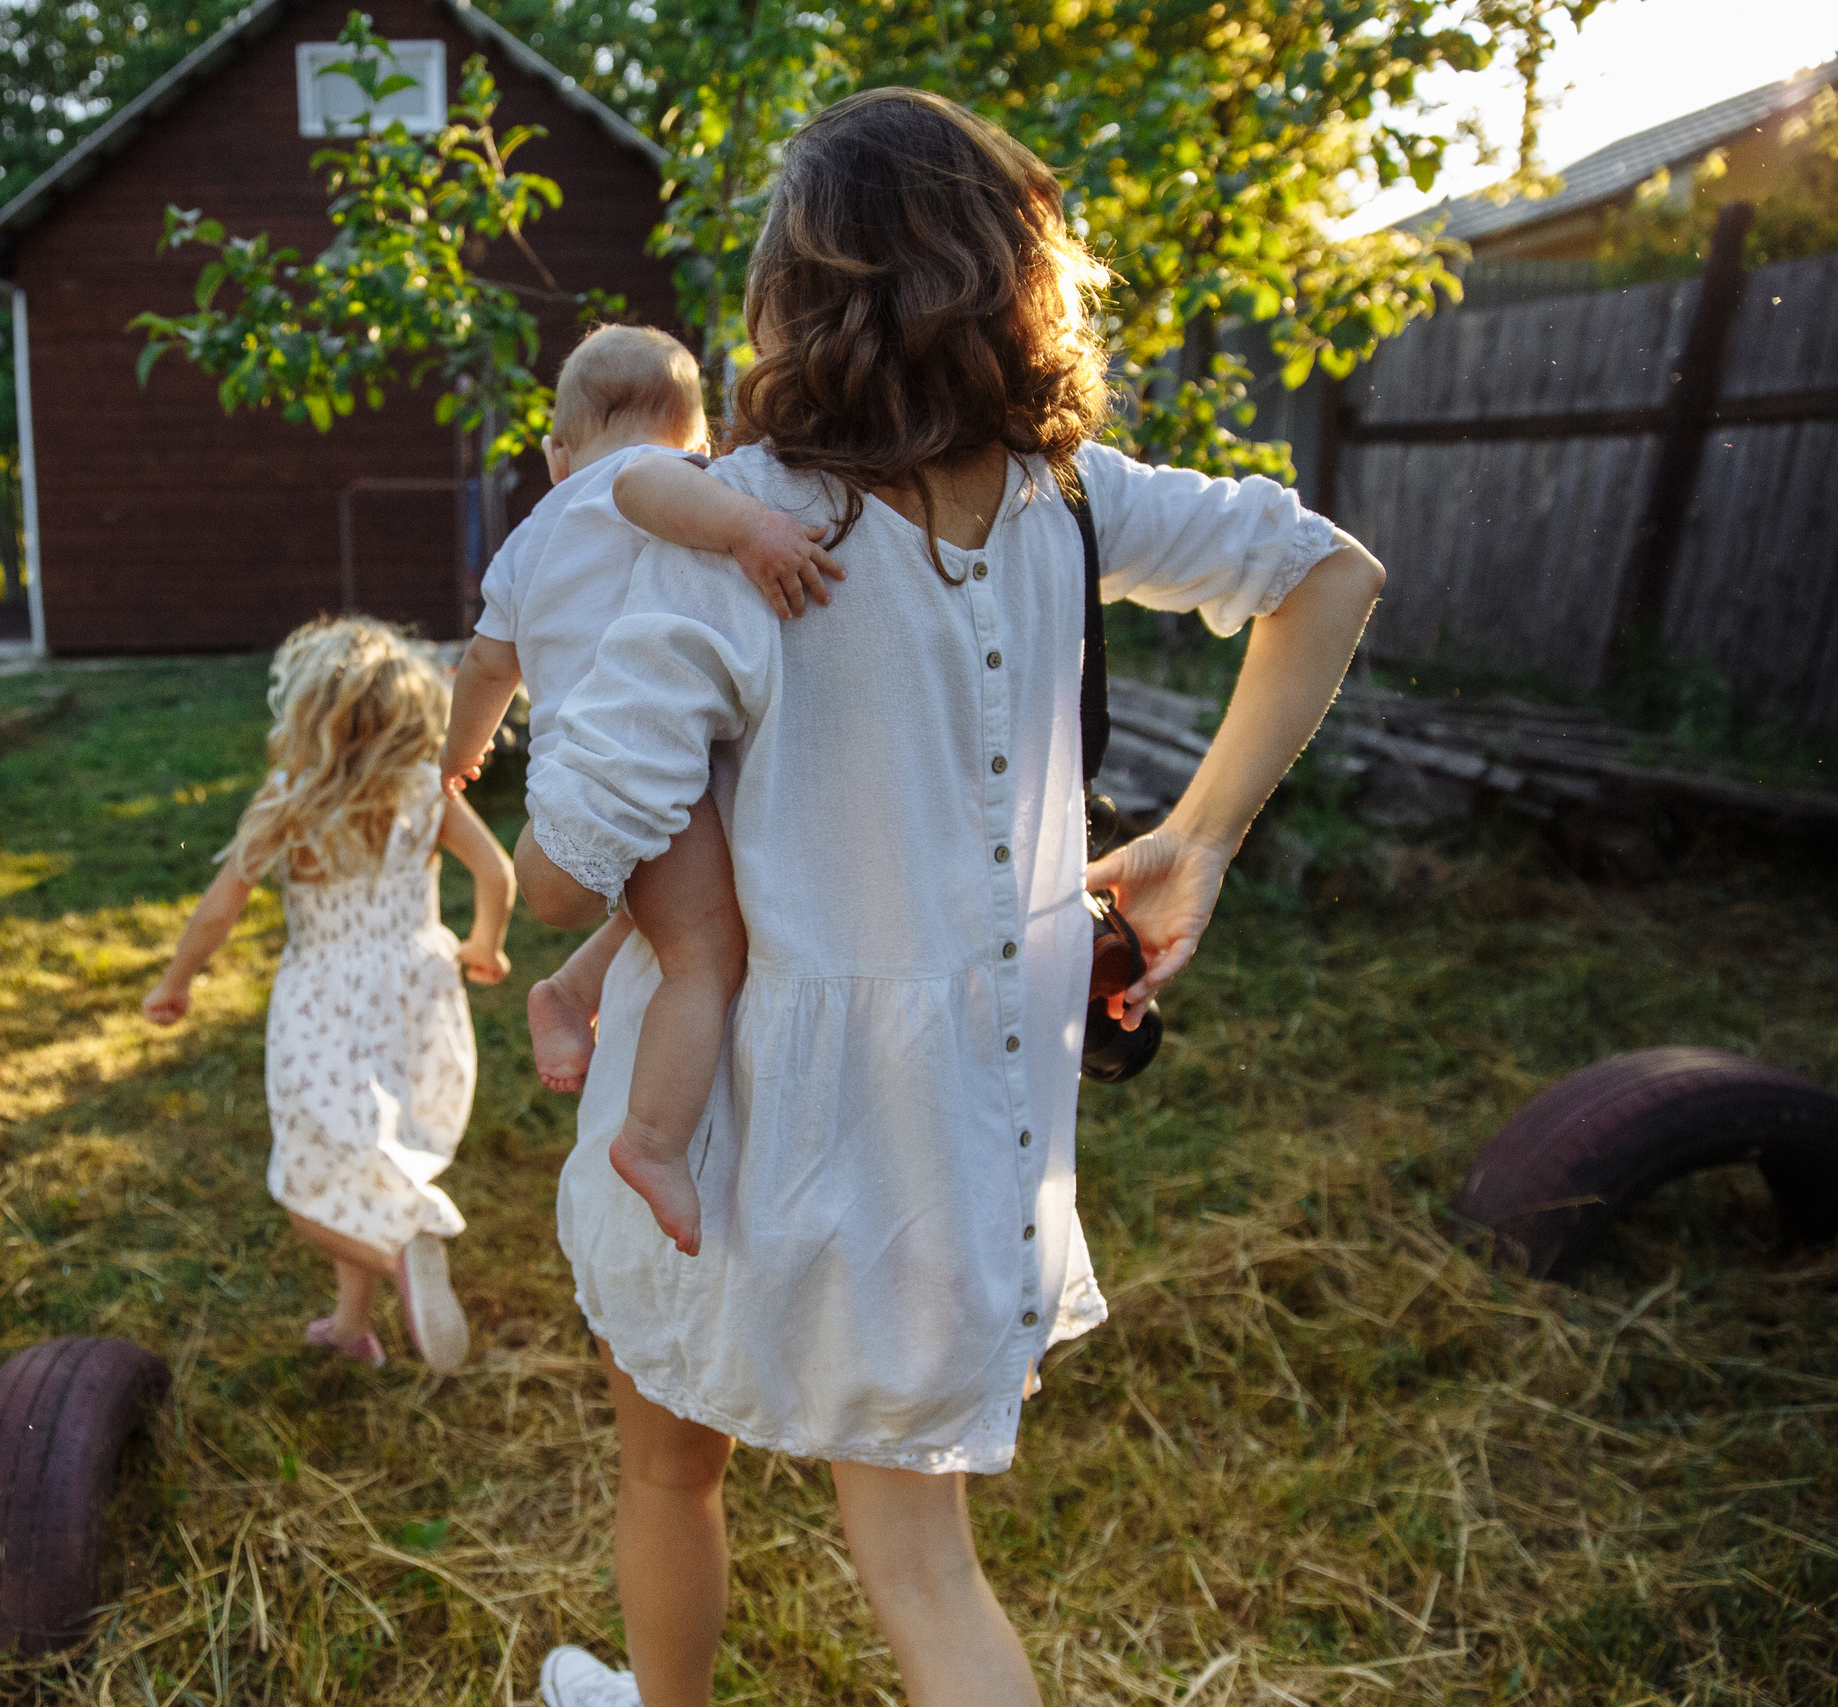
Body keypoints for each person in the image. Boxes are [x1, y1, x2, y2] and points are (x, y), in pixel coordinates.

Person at [514, 90, 1388, 1707]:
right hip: (946, 1144)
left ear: (795, 296)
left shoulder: (745, 526)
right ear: (1018, 282)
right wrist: (1200, 833)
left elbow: (566, 867)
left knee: (667, 1469)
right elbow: (1327, 572)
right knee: (925, 1568)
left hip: (720, 1121)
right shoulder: (1069, 497)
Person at [440, 323, 843, 1257]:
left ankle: (564, 992)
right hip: (637, 765)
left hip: (567, 772)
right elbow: (641, 480)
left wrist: (459, 755)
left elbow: (483, 666)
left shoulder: (527, 544)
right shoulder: (655, 485)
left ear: (554, 451)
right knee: (707, 949)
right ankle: (653, 1141)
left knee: (663, 913)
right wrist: (754, 527)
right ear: (696, 441)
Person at [142, 617, 517, 1375]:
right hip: (417, 989)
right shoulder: (425, 790)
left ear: (307, 713)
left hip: (323, 1004)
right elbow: (497, 874)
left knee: (307, 1183)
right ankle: (351, 1323)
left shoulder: (288, 801)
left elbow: (219, 909)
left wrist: (176, 981)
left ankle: (396, 1254)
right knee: (374, 1162)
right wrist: (484, 945)